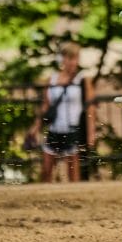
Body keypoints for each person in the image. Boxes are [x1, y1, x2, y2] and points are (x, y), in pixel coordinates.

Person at [29, 43, 95, 183]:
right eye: (70, 58)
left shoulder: (83, 80)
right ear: (62, 59)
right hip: (55, 128)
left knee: (72, 171)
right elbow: (45, 106)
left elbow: (90, 107)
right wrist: (36, 127)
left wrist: (91, 132)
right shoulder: (52, 79)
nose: (73, 62)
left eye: (75, 58)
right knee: (46, 169)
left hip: (72, 129)